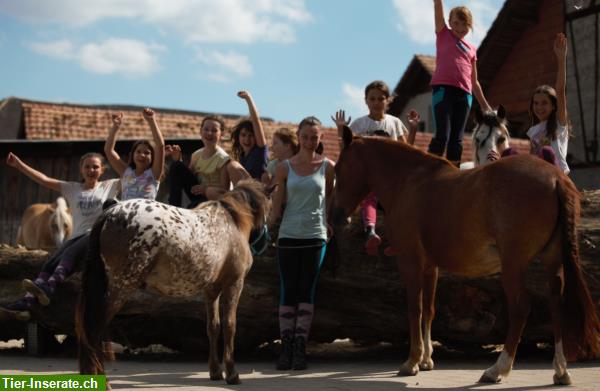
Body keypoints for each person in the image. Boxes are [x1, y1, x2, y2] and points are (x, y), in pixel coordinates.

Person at [1, 153, 121, 321]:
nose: (91, 170)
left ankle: (49, 287)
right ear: (81, 170)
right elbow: (43, 179)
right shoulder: (73, 188)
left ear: (102, 170)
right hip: (76, 236)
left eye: (95, 167)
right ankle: (27, 301)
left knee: (69, 254)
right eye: (87, 166)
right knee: (50, 262)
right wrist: (19, 165)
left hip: (96, 234)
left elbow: (133, 175)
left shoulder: (111, 185)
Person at [268, 116, 335, 371]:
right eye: (305, 136)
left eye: (314, 137)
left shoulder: (328, 166)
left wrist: (327, 221)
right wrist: (265, 227)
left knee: (307, 290)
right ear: (298, 136)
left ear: (320, 139)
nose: (309, 141)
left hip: (315, 236)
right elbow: (277, 205)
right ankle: (285, 346)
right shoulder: (284, 167)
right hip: (288, 235)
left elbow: (330, 197)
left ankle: (300, 347)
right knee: (288, 289)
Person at [332, 80, 413, 256]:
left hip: (390, 177)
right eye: (372, 99)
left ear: (388, 100)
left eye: (381, 99)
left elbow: (406, 150)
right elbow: (346, 151)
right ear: (366, 101)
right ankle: (370, 232)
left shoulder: (394, 123)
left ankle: (395, 241)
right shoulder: (360, 125)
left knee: (396, 205)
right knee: (369, 199)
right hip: (368, 179)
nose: (377, 102)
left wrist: (413, 129)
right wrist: (340, 129)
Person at [488, 33, 570, 174]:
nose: (539, 107)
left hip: (556, 175)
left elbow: (560, 90)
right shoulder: (534, 132)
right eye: (536, 103)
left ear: (554, 106)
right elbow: (532, 160)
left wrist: (561, 60)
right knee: (509, 153)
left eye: (544, 103)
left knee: (546, 152)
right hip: (539, 175)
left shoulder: (559, 124)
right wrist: (504, 160)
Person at [428, 0, 492, 166]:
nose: (459, 28)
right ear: (449, 23)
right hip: (443, 90)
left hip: (464, 96)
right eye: (456, 23)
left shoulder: (471, 49)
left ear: (469, 26)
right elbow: (437, 7)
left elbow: (474, 81)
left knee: (456, 139)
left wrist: (485, 106)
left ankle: (453, 174)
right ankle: (426, 169)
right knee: (442, 134)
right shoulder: (443, 34)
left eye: (464, 24)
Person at [166, 115, 246, 206]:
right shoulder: (196, 155)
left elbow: (224, 190)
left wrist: (206, 189)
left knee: (193, 206)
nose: (209, 133)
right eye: (206, 129)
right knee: (176, 165)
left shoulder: (223, 159)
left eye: (214, 130)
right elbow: (188, 178)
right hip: (196, 194)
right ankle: (173, 205)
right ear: (201, 131)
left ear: (221, 135)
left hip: (212, 199)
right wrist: (178, 160)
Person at [104, 108, 165, 201]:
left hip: (146, 214)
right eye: (138, 152)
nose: (142, 155)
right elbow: (108, 150)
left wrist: (151, 121)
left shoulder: (154, 174)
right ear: (132, 155)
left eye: (147, 153)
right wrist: (115, 127)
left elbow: (160, 145)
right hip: (126, 214)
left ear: (153, 157)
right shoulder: (126, 172)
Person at [231, 91, 269, 180]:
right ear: (238, 137)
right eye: (243, 135)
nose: (247, 139)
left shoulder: (260, 151)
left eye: (251, 136)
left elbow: (256, 120)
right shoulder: (242, 157)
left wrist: (248, 99)